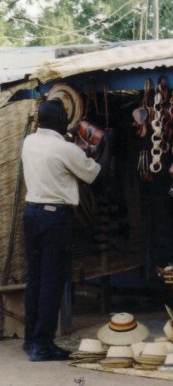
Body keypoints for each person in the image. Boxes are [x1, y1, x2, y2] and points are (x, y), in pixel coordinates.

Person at [21, 99, 106, 361]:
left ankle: (30, 340)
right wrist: (108, 143)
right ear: (60, 120)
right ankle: (42, 345)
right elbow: (95, 174)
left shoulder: (29, 142)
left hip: (32, 213)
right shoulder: (65, 149)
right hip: (54, 218)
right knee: (52, 281)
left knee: (35, 280)